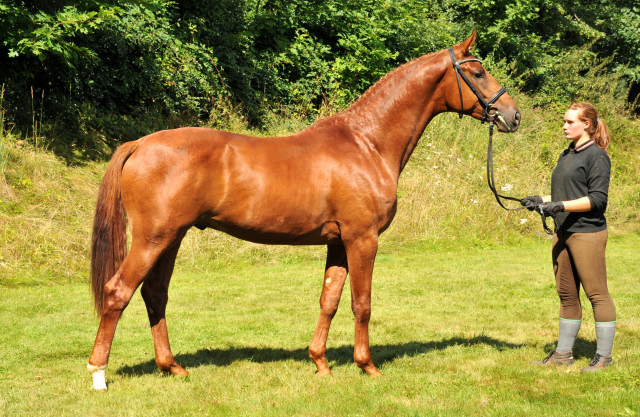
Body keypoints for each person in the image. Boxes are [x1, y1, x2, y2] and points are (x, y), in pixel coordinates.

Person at [521, 102, 615, 373]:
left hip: (587, 233)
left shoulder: (597, 157)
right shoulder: (567, 154)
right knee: (566, 294)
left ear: (586, 124)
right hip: (562, 232)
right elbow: (565, 194)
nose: (564, 126)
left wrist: (560, 206)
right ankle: (563, 354)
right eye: (564, 121)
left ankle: (604, 357)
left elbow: (597, 200)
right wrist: (541, 200)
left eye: (570, 122)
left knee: (597, 294)